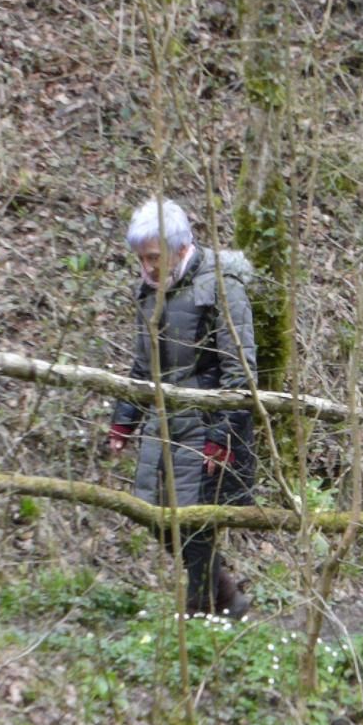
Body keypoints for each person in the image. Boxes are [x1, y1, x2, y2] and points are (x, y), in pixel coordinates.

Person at [107, 198, 255, 617]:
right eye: (142, 258)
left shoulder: (222, 287)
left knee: (193, 523)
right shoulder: (148, 292)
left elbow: (240, 370)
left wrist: (221, 437)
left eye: (154, 257)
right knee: (155, 513)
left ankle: (202, 608)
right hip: (162, 419)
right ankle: (226, 595)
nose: (148, 266)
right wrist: (123, 423)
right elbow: (142, 364)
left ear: (178, 247)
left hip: (206, 423)